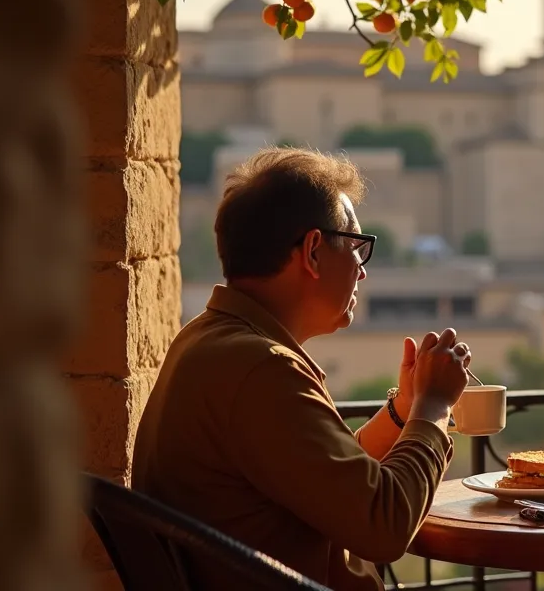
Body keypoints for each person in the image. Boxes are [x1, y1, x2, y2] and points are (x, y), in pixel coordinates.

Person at [131, 147, 469, 591]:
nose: (362, 274)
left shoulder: (209, 342)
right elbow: (383, 526)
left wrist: (403, 412)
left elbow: (329, 482)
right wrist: (434, 406)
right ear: (312, 251)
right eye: (355, 248)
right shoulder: (260, 371)